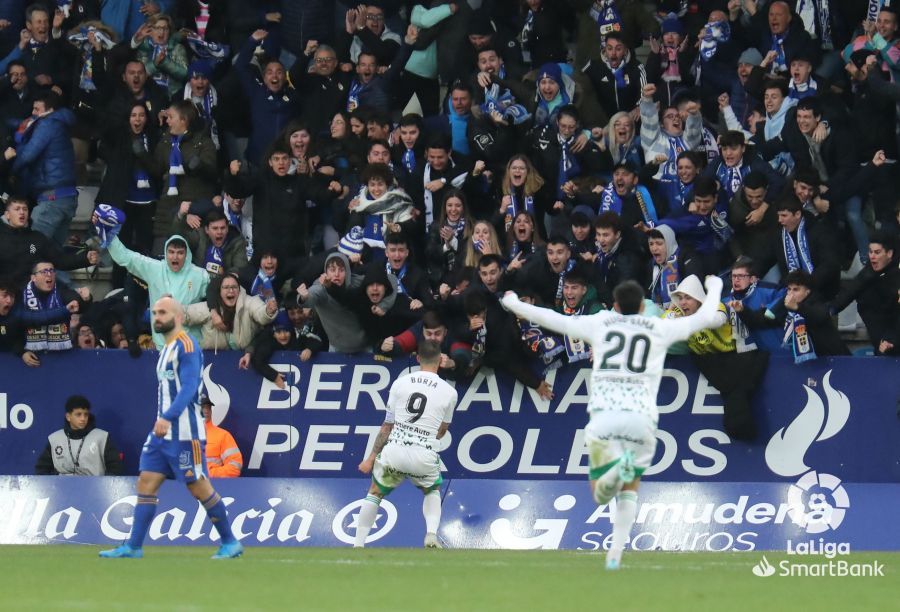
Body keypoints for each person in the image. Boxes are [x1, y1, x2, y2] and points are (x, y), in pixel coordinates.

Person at [501, 276, 724, 570]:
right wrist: (716, 286)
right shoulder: (659, 327)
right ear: (643, 307)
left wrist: (513, 302)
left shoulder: (602, 323)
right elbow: (708, 317)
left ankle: (611, 482)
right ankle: (615, 553)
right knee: (630, 488)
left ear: (616, 305)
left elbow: (551, 318)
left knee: (600, 493)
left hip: (605, 416)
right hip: (641, 419)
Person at [99, 295, 243, 559]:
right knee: (146, 482)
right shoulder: (166, 348)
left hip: (185, 434)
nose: (157, 318)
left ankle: (230, 541)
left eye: (162, 313)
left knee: (197, 486)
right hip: (161, 435)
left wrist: (168, 417)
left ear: (177, 317)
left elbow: (189, 388)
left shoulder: (187, 346)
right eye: (154, 313)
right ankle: (133, 546)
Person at [353, 340, 457, 549]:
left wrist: (371, 458)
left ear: (417, 358)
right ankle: (430, 534)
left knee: (375, 492)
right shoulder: (449, 392)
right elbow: (442, 430)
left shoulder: (400, 383)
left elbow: (386, 427)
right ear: (440, 360)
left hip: (395, 451)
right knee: (432, 490)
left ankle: (358, 545)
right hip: (424, 455)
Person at [35, 395, 123, 476]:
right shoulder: (55, 439)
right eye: (78, 414)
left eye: (86, 414)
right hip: (62, 490)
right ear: (68, 417)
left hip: (94, 490)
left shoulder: (102, 437)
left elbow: (115, 470)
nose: (83, 418)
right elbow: (41, 470)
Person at [200, 393, 242, 478]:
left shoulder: (223, 435)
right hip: (183, 486)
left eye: (208, 407)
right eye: (202, 407)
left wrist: (209, 474)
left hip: (215, 484)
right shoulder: (181, 435)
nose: (206, 410)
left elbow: (235, 467)